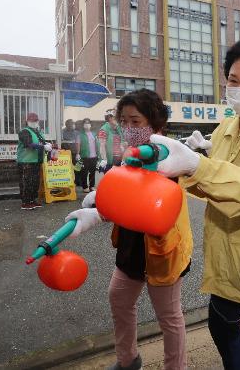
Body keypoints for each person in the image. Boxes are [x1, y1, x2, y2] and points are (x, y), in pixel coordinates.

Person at [148, 36, 240, 370]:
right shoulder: (227, 125)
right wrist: (195, 158)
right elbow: (212, 182)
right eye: (233, 80)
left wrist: (198, 165)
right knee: (221, 327)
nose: (239, 88)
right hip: (224, 257)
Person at [65, 89, 193, 370]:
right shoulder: (128, 158)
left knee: (169, 318)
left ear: (156, 123)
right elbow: (123, 194)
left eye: (135, 121)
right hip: (131, 248)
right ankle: (128, 360)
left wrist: (103, 207)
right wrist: (99, 207)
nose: (128, 129)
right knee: (120, 301)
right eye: (124, 121)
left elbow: (148, 203)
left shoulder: (173, 158)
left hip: (163, 252)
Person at [16, 112, 51, 210]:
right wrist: (44, 146)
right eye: (31, 120)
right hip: (25, 162)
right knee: (26, 182)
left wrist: (48, 144)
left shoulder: (37, 132)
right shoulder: (24, 132)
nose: (34, 122)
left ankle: (32, 200)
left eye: (35, 120)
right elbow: (28, 144)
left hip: (36, 161)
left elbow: (42, 142)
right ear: (27, 121)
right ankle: (25, 202)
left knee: (35, 182)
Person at [76, 118, 99, 193]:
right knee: (84, 172)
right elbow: (78, 144)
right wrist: (77, 153)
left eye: (88, 123)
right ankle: (85, 186)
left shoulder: (94, 133)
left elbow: (97, 144)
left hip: (94, 156)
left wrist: (99, 154)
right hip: (84, 156)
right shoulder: (80, 135)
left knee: (92, 172)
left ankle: (92, 186)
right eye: (85, 123)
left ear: (90, 125)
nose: (87, 124)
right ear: (83, 125)